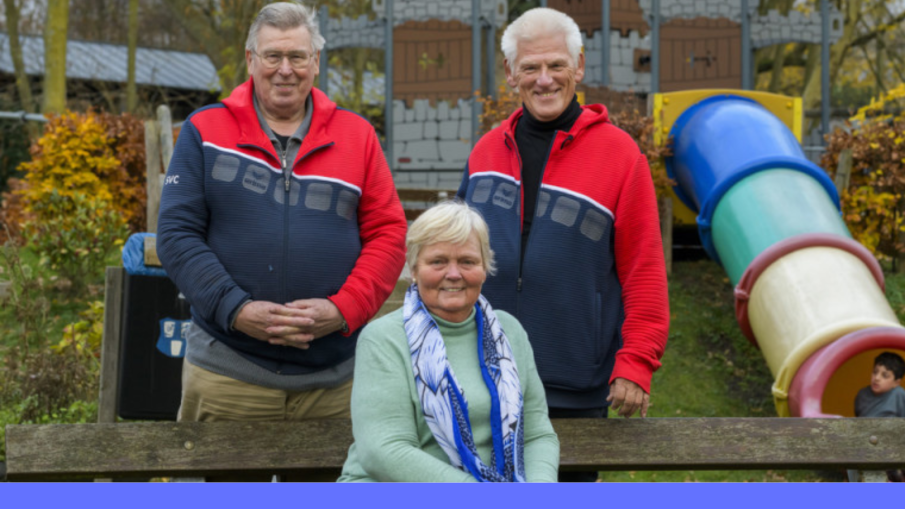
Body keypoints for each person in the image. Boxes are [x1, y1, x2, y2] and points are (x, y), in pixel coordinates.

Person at [157, 2, 406, 430]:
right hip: (226, 372)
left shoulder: (357, 136)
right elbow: (177, 235)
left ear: (316, 62)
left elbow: (388, 234)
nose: (285, 69)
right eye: (273, 56)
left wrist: (342, 309)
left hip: (335, 382)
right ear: (251, 60)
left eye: (297, 57)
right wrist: (235, 309)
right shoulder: (205, 130)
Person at [457, 7, 669, 481]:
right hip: (482, 379)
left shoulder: (620, 156)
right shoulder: (485, 151)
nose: (544, 79)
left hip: (574, 386)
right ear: (511, 74)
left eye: (556, 65)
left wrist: (636, 360)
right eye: (530, 67)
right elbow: (450, 261)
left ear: (579, 66)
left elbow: (645, 271)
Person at [338, 201, 560, 482]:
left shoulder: (510, 331)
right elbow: (384, 451)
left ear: (484, 267)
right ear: (414, 269)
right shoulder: (384, 339)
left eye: (467, 261)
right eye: (438, 261)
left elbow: (537, 435)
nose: (453, 274)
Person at [853, 351, 905, 482]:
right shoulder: (862, 395)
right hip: (866, 447)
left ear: (896, 382)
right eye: (875, 372)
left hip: (893, 447)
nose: (877, 378)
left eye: (885, 375)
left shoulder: (899, 395)